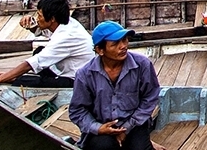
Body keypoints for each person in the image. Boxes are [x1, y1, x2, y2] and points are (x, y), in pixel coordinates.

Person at [69, 21, 160, 150]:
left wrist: (126, 128)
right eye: (115, 44)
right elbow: (77, 110)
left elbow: (150, 98)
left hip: (134, 125)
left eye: (124, 40)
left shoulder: (142, 65)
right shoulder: (84, 74)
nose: (123, 46)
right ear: (100, 50)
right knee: (103, 146)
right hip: (102, 127)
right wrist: (98, 128)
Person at [0, 0, 92, 91]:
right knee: (39, 51)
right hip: (73, 69)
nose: (37, 18)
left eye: (39, 15)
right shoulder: (67, 21)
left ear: (52, 19)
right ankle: (15, 77)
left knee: (25, 81)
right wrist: (31, 26)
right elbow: (46, 32)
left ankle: (15, 78)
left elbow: (31, 64)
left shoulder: (66, 37)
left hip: (78, 81)